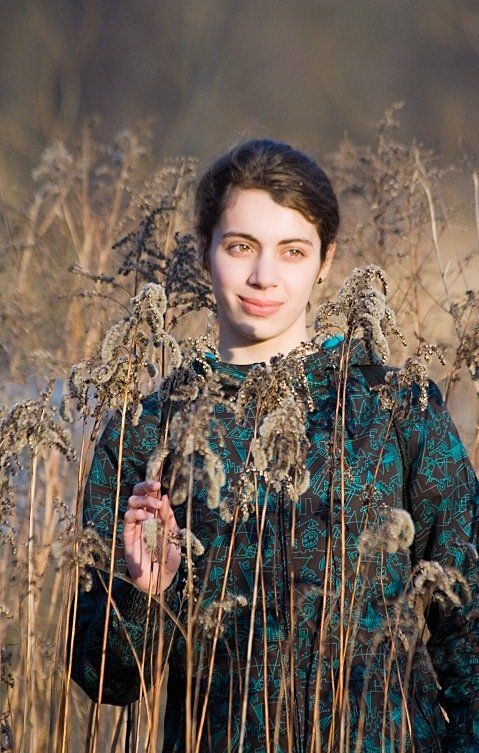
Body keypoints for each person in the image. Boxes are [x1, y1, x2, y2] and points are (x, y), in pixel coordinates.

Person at [71, 139, 479, 753]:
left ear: (325, 261)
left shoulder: (395, 407)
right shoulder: (148, 431)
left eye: (293, 251)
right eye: (241, 247)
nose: (264, 276)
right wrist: (146, 594)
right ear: (204, 250)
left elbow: (468, 617)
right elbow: (104, 679)